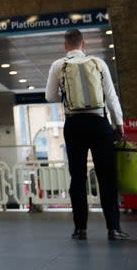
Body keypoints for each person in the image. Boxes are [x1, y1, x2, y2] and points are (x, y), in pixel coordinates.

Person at [44, 28, 128, 241]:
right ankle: (114, 229)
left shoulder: (57, 66)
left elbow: (49, 96)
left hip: (74, 125)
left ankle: (80, 229)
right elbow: (111, 96)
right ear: (84, 44)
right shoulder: (99, 64)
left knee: (78, 177)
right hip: (100, 123)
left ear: (65, 46)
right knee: (106, 176)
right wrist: (119, 124)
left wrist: (66, 95)